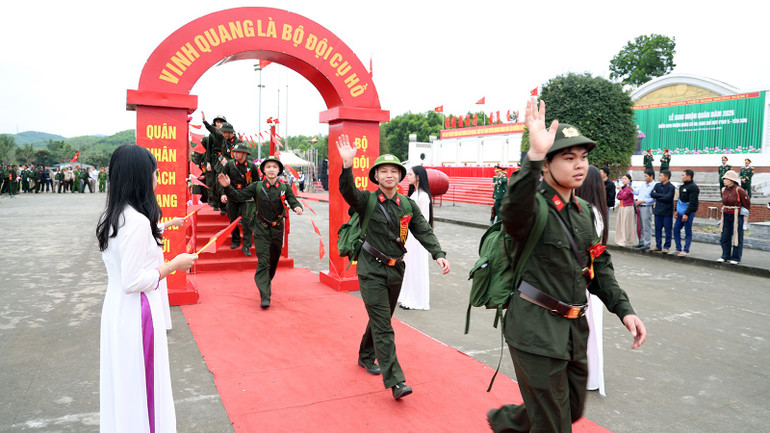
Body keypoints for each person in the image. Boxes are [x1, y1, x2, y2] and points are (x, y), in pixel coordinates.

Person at [488, 98, 646, 433]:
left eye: (584, 158)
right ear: (546, 166)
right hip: (534, 329)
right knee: (556, 425)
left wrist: (624, 309)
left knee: (570, 409)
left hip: (574, 330)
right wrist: (532, 155)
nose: (580, 165)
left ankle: (507, 423)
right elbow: (513, 208)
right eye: (568, 157)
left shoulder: (586, 212)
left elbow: (599, 265)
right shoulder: (532, 209)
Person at [336, 134, 451, 400]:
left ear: (400, 177)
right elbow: (347, 192)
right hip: (370, 268)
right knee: (384, 325)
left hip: (396, 269)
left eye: (394, 171)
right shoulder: (367, 201)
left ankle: (366, 355)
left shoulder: (407, 204)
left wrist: (438, 253)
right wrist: (347, 165)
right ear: (376, 176)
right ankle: (396, 380)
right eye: (383, 171)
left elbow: (423, 230)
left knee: (382, 319)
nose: (389, 175)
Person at [96, 144, 197, 433]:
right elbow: (133, 281)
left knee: (125, 384)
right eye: (155, 172)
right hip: (138, 315)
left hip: (117, 311)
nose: (157, 178)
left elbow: (130, 248)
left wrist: (164, 225)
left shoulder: (114, 216)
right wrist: (173, 265)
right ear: (141, 177)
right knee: (145, 384)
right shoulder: (138, 222)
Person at [219, 155, 303, 308]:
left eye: (274, 167)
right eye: (268, 167)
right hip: (261, 228)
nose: (271, 169)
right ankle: (265, 295)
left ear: (279, 170)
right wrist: (227, 187)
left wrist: (297, 207)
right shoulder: (257, 186)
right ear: (263, 170)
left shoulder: (284, 187)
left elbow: (293, 200)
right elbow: (238, 196)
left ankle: (265, 281)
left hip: (277, 229)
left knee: (273, 260)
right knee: (263, 261)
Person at [574, 165, 609, 396]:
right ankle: (589, 378)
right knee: (589, 333)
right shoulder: (595, 211)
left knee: (586, 333)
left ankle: (587, 378)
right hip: (588, 279)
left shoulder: (588, 213)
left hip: (585, 280)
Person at [398, 165, 434, 311]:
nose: (408, 176)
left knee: (416, 266)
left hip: (417, 237)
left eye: (411, 174)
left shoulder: (424, 196)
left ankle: (416, 299)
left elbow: (423, 220)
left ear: (418, 177)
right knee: (409, 266)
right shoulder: (415, 194)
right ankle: (407, 294)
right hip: (409, 235)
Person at [220, 142, 258, 256]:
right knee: (233, 219)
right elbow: (222, 179)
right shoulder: (229, 165)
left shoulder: (251, 166)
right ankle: (235, 241)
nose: (235, 154)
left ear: (244, 154)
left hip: (246, 196)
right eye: (234, 152)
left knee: (247, 221)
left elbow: (256, 182)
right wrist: (223, 193)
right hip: (232, 194)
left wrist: (256, 198)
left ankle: (246, 245)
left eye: (238, 152)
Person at [718, 170, 750, 265]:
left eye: (726, 179)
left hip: (736, 215)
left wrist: (745, 219)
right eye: (723, 179)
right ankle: (725, 255)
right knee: (725, 236)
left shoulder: (739, 190)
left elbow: (747, 204)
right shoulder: (723, 190)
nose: (724, 180)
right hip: (726, 214)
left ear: (732, 180)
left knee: (737, 237)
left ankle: (736, 257)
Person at [673, 169, 700, 257]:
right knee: (676, 229)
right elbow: (680, 200)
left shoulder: (693, 187)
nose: (681, 177)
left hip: (689, 212)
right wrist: (676, 210)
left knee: (687, 230)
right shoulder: (682, 187)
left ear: (689, 177)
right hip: (680, 212)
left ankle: (686, 249)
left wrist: (686, 214)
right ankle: (678, 248)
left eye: (683, 175)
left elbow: (693, 202)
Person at [650, 170, 675, 253]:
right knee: (657, 229)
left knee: (668, 230)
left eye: (661, 176)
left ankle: (667, 246)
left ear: (666, 177)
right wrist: (662, 195)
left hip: (667, 212)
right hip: (658, 211)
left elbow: (668, 198)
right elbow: (652, 194)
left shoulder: (671, 187)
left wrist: (658, 196)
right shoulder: (657, 185)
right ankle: (658, 245)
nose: (659, 177)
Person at [633, 169, 656, 250]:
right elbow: (637, 192)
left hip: (646, 207)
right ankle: (641, 242)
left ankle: (647, 243)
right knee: (640, 226)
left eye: (646, 176)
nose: (645, 178)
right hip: (639, 207)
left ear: (651, 176)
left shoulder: (654, 186)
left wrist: (642, 201)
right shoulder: (643, 185)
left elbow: (653, 199)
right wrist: (630, 188)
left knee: (646, 226)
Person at [615, 174, 638, 247]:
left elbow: (624, 196)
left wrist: (620, 190)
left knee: (626, 224)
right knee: (621, 224)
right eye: (622, 179)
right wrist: (621, 191)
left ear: (629, 180)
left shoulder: (629, 188)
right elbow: (618, 197)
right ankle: (621, 239)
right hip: (622, 207)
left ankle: (626, 240)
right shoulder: (623, 188)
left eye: (625, 178)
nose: (623, 180)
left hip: (627, 207)